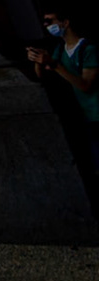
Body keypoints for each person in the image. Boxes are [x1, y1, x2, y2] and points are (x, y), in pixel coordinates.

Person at [28, 8, 99, 166]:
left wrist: (54, 64)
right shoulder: (60, 50)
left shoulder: (88, 50)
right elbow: (44, 76)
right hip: (84, 115)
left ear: (65, 23)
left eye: (50, 21)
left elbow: (85, 85)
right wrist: (38, 60)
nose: (47, 26)